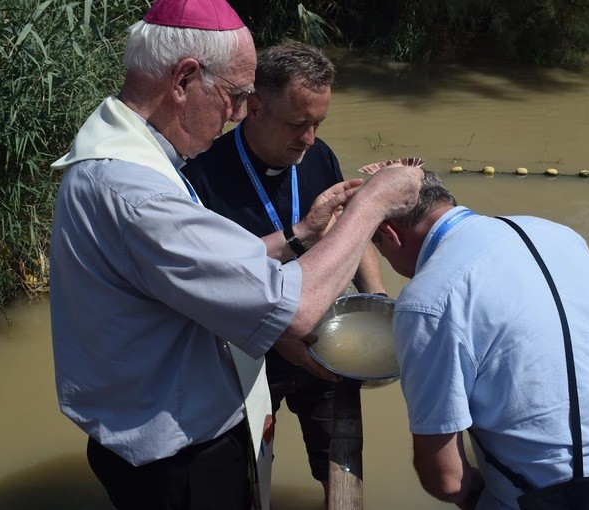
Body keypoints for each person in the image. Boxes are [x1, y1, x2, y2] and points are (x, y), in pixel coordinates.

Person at [47, 0, 423, 508]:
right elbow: (296, 310)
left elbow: (207, 264)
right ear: (183, 80)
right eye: (235, 94)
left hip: (158, 426)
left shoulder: (131, 159)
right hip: (176, 453)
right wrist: (374, 202)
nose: (235, 112)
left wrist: (301, 235)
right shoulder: (139, 193)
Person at [371, 168, 589, 509]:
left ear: (389, 233)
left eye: (382, 252)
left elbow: (446, 480)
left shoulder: (427, 300)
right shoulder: (555, 232)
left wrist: (478, 497)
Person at [182, 41, 385, 500]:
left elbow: (349, 235)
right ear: (254, 107)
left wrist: (378, 306)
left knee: (338, 467)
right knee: (246, 477)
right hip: (243, 357)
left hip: (321, 344)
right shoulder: (202, 177)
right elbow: (208, 286)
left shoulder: (318, 156)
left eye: (318, 124)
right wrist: (283, 339)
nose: (309, 139)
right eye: (297, 124)